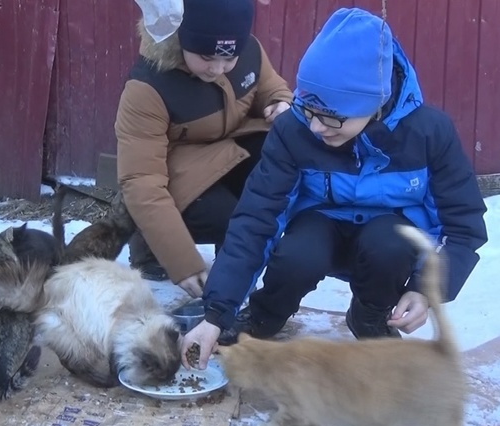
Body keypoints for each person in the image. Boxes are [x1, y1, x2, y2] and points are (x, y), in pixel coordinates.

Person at [181, 7, 489, 368]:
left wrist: (426, 291)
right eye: (308, 110)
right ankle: (266, 314)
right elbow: (256, 217)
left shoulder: (429, 133)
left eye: (331, 118)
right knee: (298, 254)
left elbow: (464, 227)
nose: (315, 128)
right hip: (320, 222)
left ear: (373, 103)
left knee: (391, 244)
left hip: (387, 236)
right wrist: (217, 314)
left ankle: (370, 316)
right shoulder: (294, 130)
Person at [115, 0, 293, 297]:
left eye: (229, 59)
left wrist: (279, 103)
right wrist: (182, 261)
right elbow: (141, 181)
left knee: (274, 153)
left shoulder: (249, 51)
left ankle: (235, 265)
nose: (218, 68)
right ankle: (150, 244)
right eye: (206, 57)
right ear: (182, 38)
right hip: (176, 176)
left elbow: (270, 86)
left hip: (227, 152)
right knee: (231, 217)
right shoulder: (146, 88)